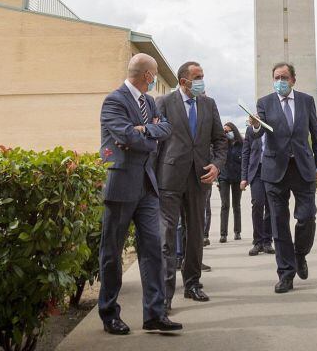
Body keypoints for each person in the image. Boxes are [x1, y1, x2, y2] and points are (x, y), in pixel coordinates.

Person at [97, 53, 181, 334]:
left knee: (153, 250)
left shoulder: (148, 102)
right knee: (112, 253)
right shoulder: (114, 101)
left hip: (147, 186)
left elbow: (164, 130)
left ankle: (154, 314)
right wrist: (146, 136)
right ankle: (109, 314)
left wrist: (144, 130)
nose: (155, 78)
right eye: (154, 74)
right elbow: (125, 137)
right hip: (121, 187)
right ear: (147, 75)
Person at [246, 62, 317, 293]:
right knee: (279, 224)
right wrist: (253, 126)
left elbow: (316, 135)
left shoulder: (306, 101)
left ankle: (300, 254)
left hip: (303, 168)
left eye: (283, 77)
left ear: (293, 79)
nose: (279, 81)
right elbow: (258, 133)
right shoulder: (264, 103)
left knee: (307, 216)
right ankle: (286, 273)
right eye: (276, 77)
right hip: (274, 171)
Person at [155, 61, 226, 309]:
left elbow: (220, 140)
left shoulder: (209, 104)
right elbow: (155, 143)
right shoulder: (164, 103)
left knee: (195, 234)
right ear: (183, 81)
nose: (202, 81)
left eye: (203, 76)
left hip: (200, 178)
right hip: (170, 179)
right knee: (167, 235)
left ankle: (193, 284)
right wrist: (152, 179)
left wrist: (217, 165)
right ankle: (164, 294)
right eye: (197, 77)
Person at [241, 123, 274, 256]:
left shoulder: (273, 127)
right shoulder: (250, 130)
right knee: (257, 204)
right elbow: (245, 154)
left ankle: (267, 241)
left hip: (272, 171)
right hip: (256, 172)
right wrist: (244, 177)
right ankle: (258, 241)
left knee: (271, 207)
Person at [217, 122, 244, 242]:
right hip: (224, 177)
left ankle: (237, 232)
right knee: (225, 205)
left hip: (237, 178)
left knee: (236, 205)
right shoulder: (222, 145)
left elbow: (244, 162)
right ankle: (223, 234)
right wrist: (217, 178)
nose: (227, 133)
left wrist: (244, 178)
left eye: (228, 131)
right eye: (225, 132)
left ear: (234, 130)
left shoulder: (241, 144)